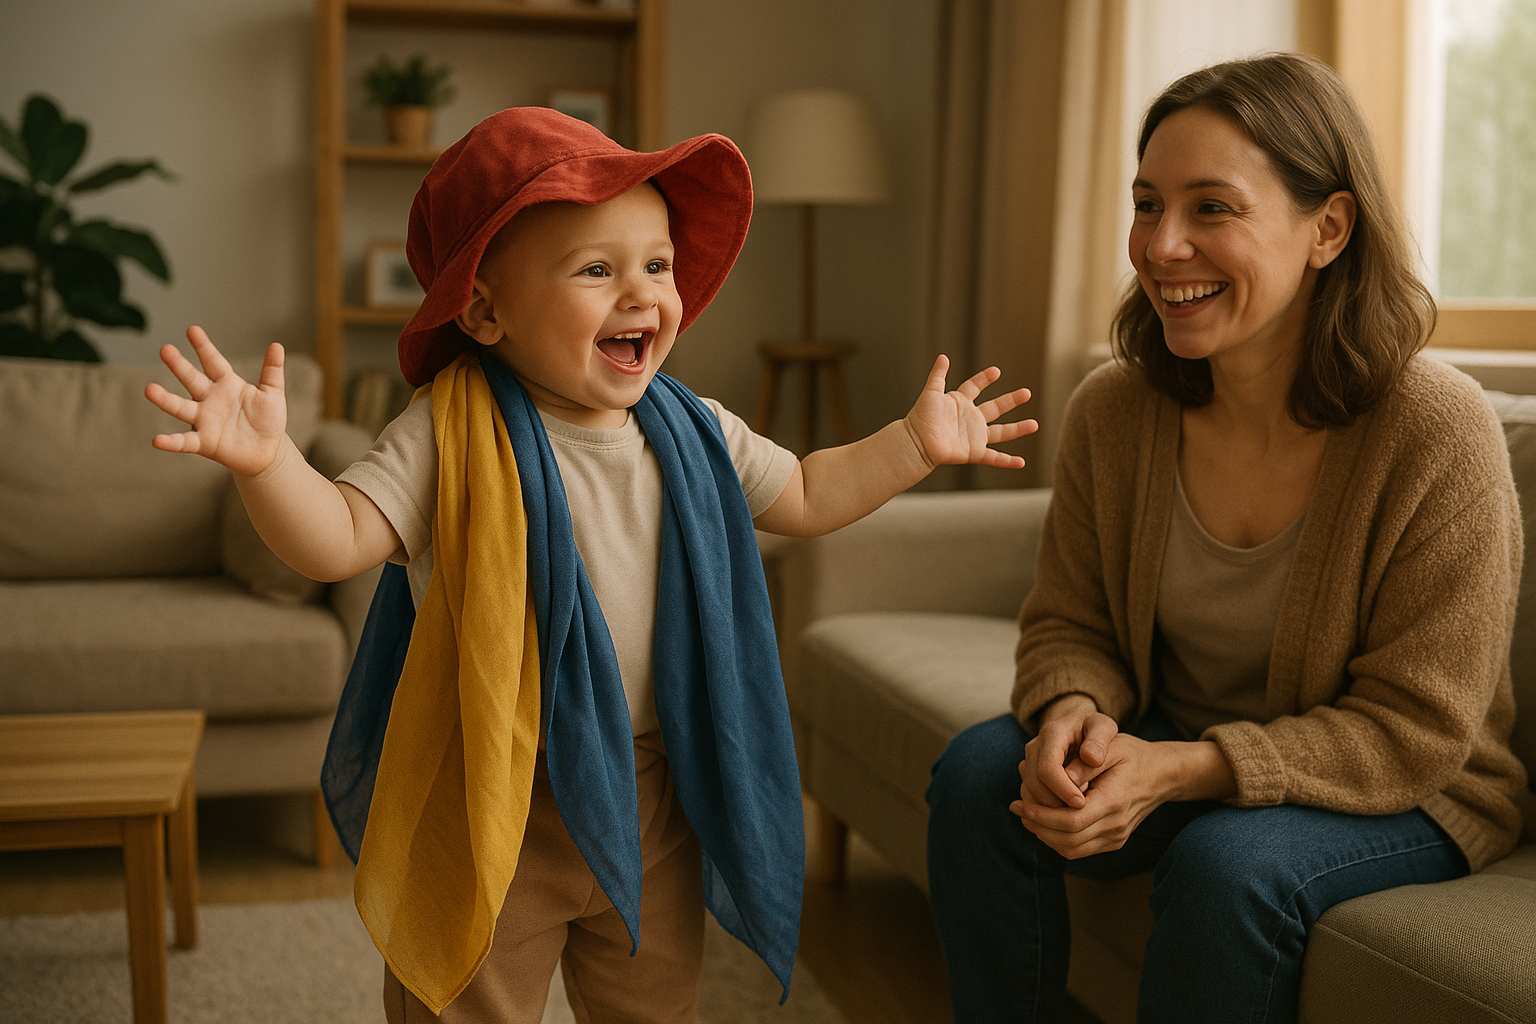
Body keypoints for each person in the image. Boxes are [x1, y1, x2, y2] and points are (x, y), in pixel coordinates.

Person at [143, 107, 1037, 1024]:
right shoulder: (449, 429)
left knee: (653, 1007)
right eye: (597, 270)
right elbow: (334, 539)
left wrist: (911, 445)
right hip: (493, 792)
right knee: (464, 1003)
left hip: (653, 790)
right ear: (485, 310)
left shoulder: (694, 428)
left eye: (658, 264)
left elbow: (806, 493)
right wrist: (268, 465)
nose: (641, 293)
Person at [924, 52, 1528, 1024]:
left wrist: (1183, 769)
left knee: (1226, 863)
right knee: (978, 776)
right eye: (1147, 204)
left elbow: (1415, 729)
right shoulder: (1116, 409)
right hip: (1176, 729)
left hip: (1412, 788)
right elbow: (1071, 620)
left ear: (1328, 228)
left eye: (1212, 207)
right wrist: (1073, 709)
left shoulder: (1435, 430)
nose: (1162, 245)